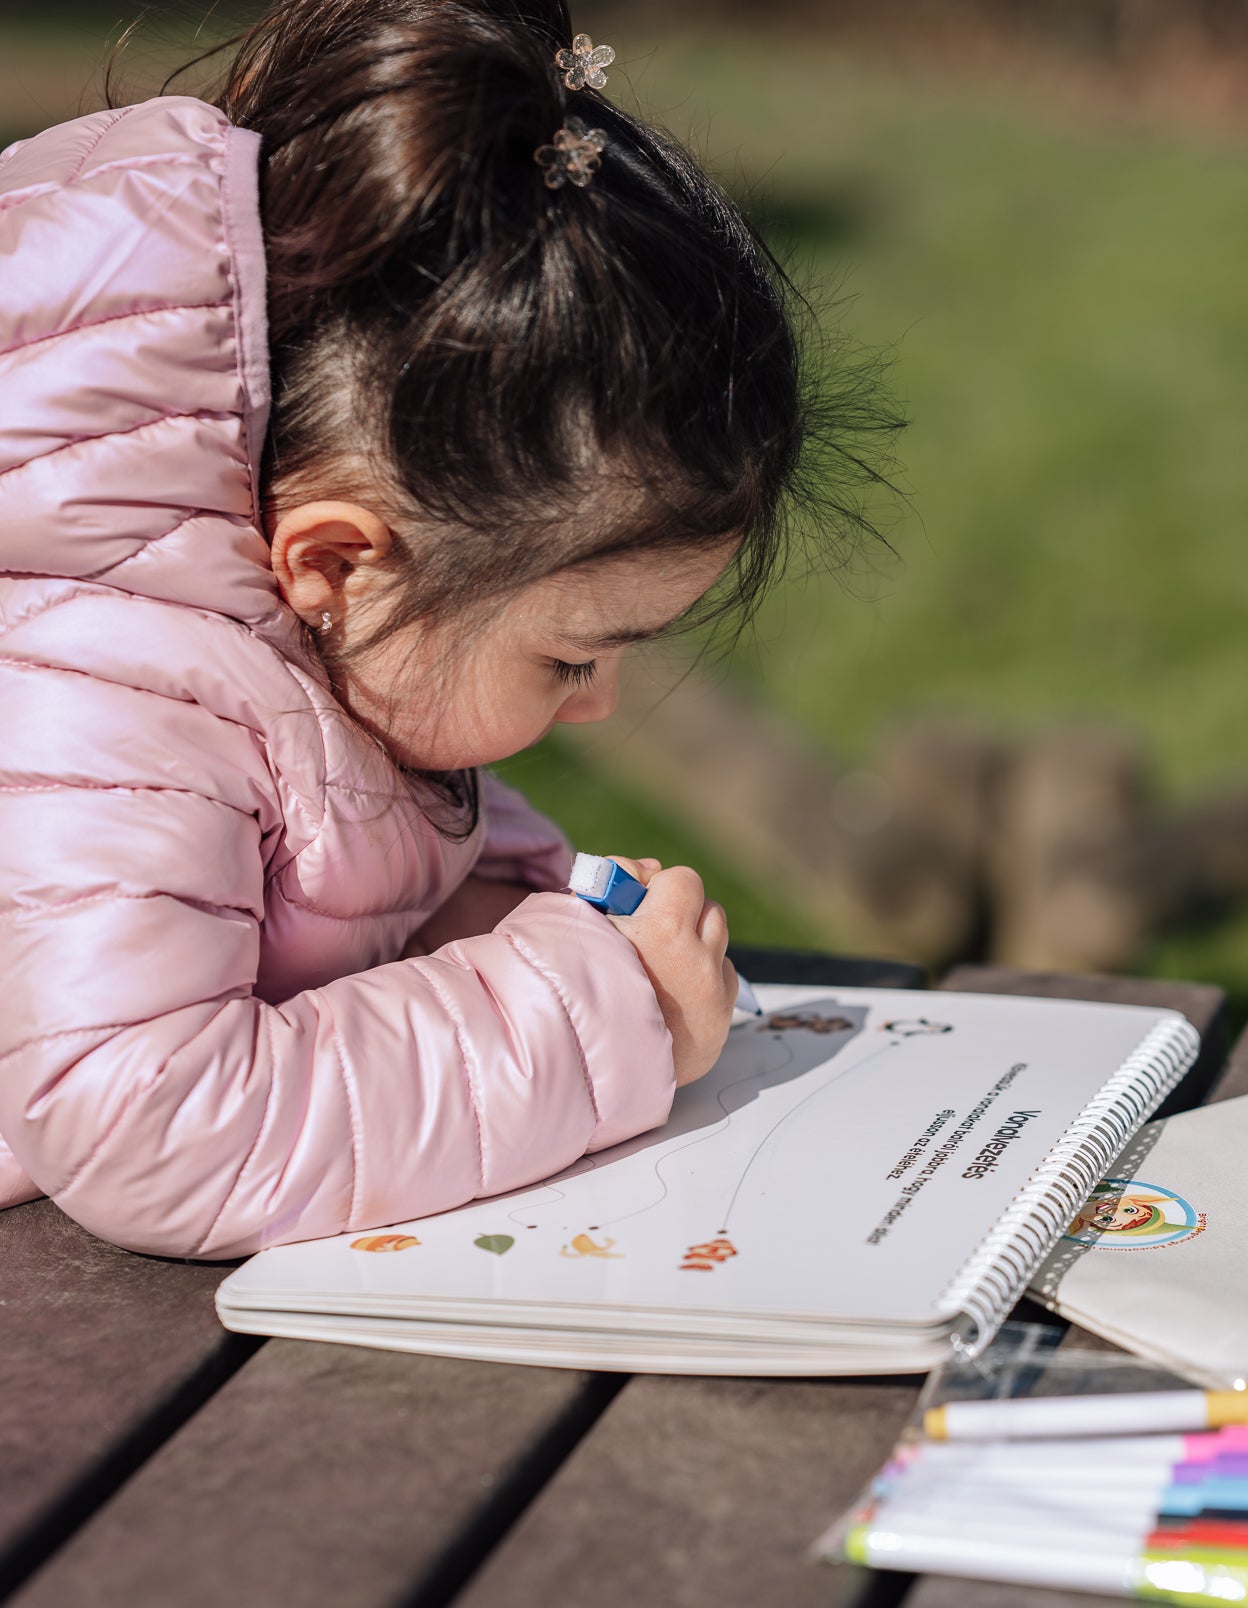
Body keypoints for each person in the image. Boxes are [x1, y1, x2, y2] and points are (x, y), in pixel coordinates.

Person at [0, 0, 887, 1258]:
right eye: (572, 654)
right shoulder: (95, 703)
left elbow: (345, 875)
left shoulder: (301, 660)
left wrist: (489, 907)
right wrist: (598, 1008)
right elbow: (160, 1126)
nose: (594, 705)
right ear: (335, 562)